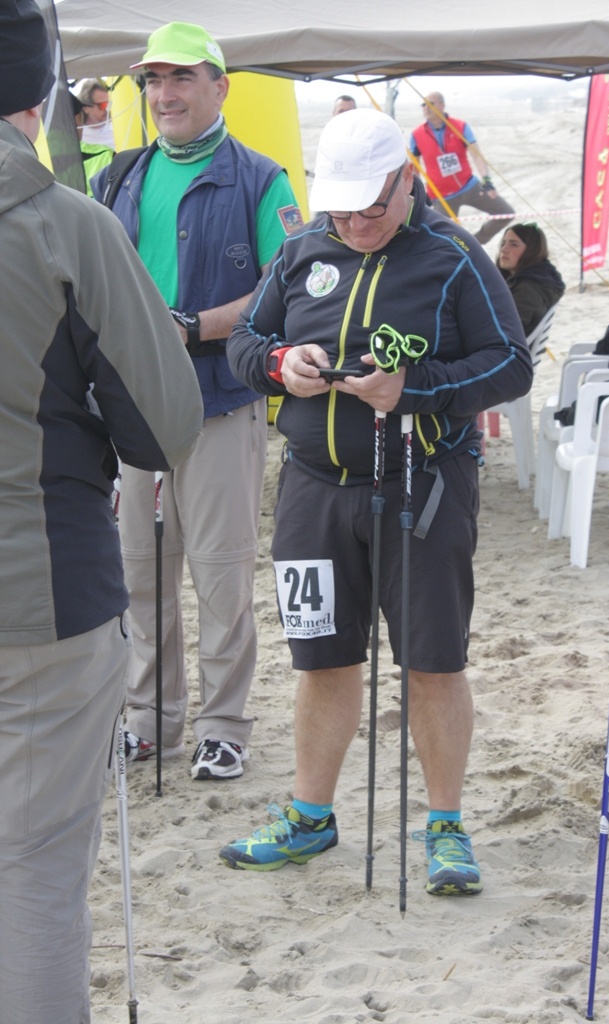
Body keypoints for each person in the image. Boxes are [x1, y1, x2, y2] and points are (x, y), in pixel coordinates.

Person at [220, 109, 533, 895]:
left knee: (432, 660)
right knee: (320, 657)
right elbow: (244, 343)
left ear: (406, 180)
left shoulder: (452, 254)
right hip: (312, 490)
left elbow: (509, 364)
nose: (356, 224)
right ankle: (309, 818)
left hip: (420, 489)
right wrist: (280, 364)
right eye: (342, 209)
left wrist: (413, 388)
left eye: (372, 206)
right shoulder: (302, 247)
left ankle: (445, 827)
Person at [0, 2, 204, 1021]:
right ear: (37, 94)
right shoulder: (65, 224)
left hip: (43, 590)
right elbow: (163, 427)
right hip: (42, 596)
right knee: (34, 875)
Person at [92, 21, 303, 782]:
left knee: (220, 575)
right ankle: (151, 723)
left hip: (220, 401)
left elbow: (284, 292)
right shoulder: (116, 178)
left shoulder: (262, 179)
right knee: (140, 576)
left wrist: (190, 327)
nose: (164, 93)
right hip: (132, 410)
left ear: (220, 86)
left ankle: (224, 726)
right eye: (153, 80)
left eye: (181, 77)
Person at [409, 91, 514, 245]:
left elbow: (477, 155)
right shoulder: (416, 135)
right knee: (440, 240)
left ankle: (474, 243)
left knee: (506, 213)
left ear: (442, 105)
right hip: (441, 196)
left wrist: (487, 180)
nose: (426, 107)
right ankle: (462, 250)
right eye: (423, 104)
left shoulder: (460, 126)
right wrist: (418, 193)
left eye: (431, 103)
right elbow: (415, 168)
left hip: (469, 186)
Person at [495, 222, 565, 336]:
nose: (504, 249)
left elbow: (505, 329)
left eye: (514, 244)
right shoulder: (534, 280)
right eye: (503, 243)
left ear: (531, 250)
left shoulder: (528, 289)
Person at [70, 78, 114, 195]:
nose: (107, 109)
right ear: (86, 107)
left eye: (108, 104)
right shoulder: (77, 134)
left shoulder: (117, 128)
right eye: (102, 105)